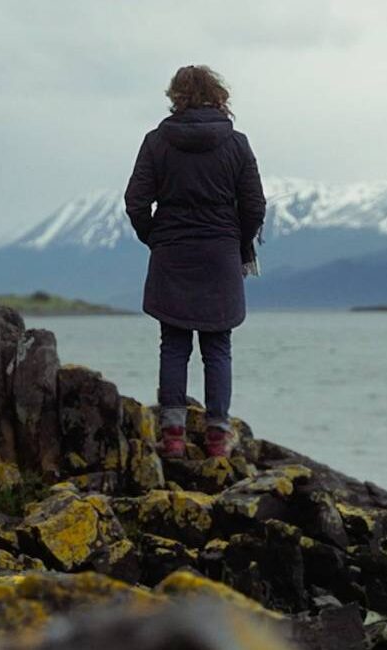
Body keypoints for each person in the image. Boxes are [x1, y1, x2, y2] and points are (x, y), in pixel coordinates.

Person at [123, 64, 266, 459]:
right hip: (221, 254)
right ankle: (218, 437)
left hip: (172, 251)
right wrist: (238, 242)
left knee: (174, 343)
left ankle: (172, 436)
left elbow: (135, 201)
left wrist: (154, 237)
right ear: (219, 95)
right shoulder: (237, 144)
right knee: (218, 346)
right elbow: (255, 206)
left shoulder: (156, 142)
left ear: (176, 97)